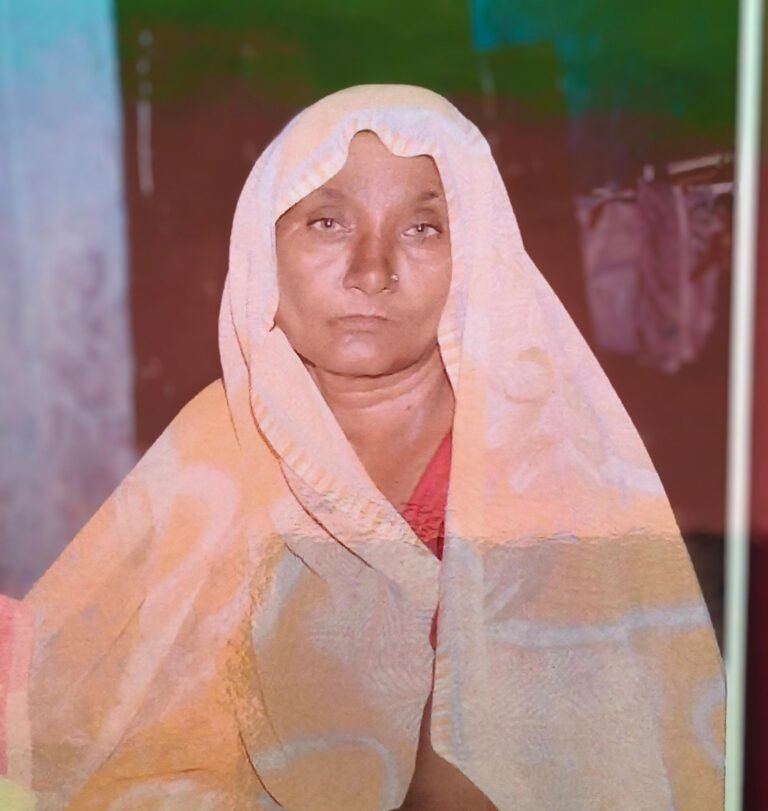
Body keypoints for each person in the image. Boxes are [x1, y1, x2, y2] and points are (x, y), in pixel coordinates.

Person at [0, 85, 723, 810]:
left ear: (479, 256)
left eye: (423, 228)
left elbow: (527, 765)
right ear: (262, 251)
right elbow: (71, 706)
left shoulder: (536, 462)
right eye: (326, 221)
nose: (371, 270)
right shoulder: (215, 444)